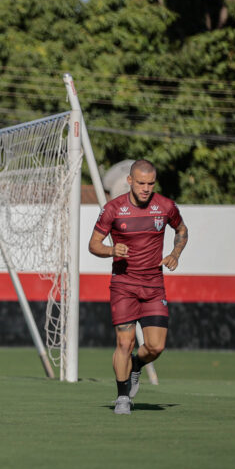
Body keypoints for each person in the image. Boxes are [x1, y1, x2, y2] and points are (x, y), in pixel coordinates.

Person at [89, 159, 188, 415]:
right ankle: (122, 397)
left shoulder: (165, 206)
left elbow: (181, 229)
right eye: (141, 183)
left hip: (154, 286)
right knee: (125, 341)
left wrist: (175, 252)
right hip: (123, 284)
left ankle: (135, 366)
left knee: (156, 346)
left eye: (150, 183)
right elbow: (94, 244)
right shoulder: (113, 209)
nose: (146, 188)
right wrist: (111, 250)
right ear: (130, 181)